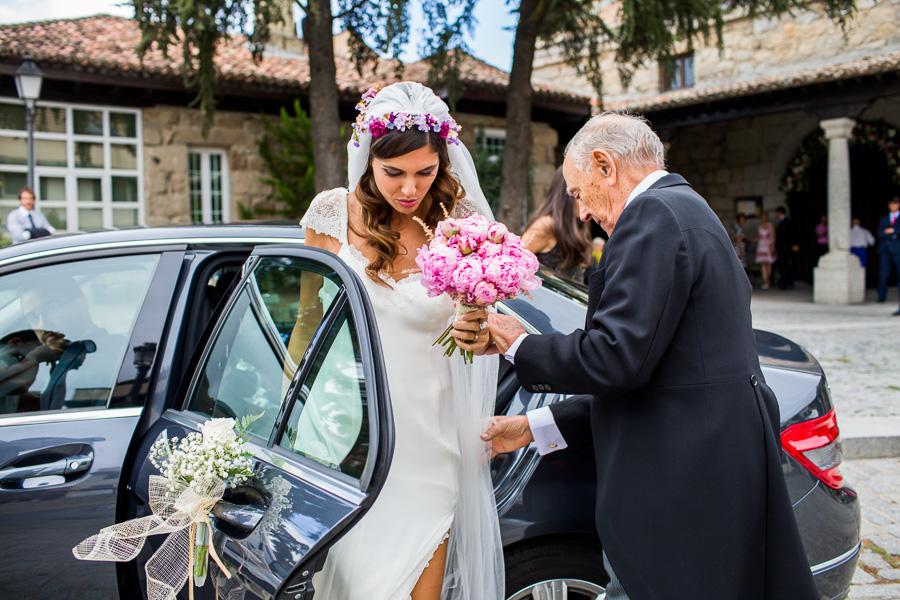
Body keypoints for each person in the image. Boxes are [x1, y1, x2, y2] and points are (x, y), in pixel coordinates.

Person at [454, 112, 819, 600]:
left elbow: (615, 358)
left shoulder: (651, 217)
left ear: (605, 165)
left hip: (680, 484)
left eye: (578, 192)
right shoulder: (687, 208)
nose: (582, 212)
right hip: (706, 466)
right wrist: (531, 427)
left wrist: (519, 342)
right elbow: (656, 375)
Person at [299, 82, 503, 600]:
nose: (410, 187)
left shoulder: (460, 224)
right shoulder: (330, 215)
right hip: (341, 431)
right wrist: (292, 404)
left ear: (442, 163)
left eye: (425, 172)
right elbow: (307, 320)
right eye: (394, 173)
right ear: (368, 158)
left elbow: (481, 330)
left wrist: (475, 329)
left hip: (429, 441)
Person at [522, 166, 592, 281]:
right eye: (581, 194)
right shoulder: (545, 226)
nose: (588, 199)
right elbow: (514, 264)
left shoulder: (579, 224)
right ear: (567, 193)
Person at [877, 196, 900, 315]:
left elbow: (893, 231)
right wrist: (893, 232)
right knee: (883, 274)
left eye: (895, 203)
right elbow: (880, 233)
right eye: (891, 203)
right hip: (885, 249)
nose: (893, 206)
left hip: (898, 249)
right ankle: (881, 297)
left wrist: (893, 231)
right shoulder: (884, 219)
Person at [774, 205, 799, 289]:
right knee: (783, 264)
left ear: (780, 212)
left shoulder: (788, 221)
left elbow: (792, 233)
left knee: (785, 264)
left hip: (786, 247)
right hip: (781, 247)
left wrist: (794, 244)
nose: (776, 214)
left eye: (777, 213)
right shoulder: (780, 221)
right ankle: (785, 281)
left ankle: (785, 282)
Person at [755, 211, 776, 289]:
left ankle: (768, 281)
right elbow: (759, 236)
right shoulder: (759, 226)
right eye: (762, 217)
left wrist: (772, 247)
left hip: (768, 246)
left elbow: (773, 237)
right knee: (763, 264)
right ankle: (766, 282)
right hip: (761, 246)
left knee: (769, 264)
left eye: (764, 216)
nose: (763, 218)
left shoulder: (770, 225)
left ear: (767, 217)